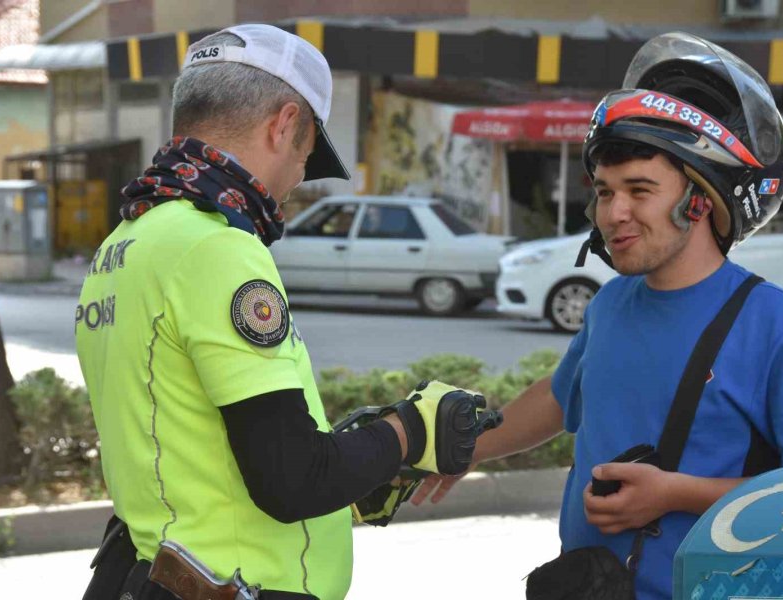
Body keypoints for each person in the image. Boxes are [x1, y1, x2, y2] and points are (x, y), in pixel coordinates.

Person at [412, 32, 783, 600]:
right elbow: (560, 396)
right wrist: (464, 449)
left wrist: (674, 493)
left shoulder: (778, 323)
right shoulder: (611, 304)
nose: (612, 213)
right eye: (603, 191)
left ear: (699, 201)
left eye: (639, 190)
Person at [76, 24, 491, 600]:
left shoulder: (125, 241)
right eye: (306, 153)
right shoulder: (216, 246)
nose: (297, 177)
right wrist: (412, 428)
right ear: (285, 124)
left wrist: (360, 466)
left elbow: (187, 453)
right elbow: (293, 480)